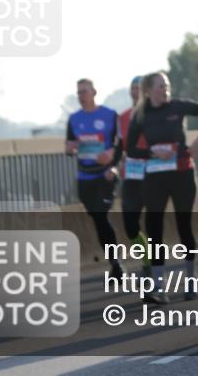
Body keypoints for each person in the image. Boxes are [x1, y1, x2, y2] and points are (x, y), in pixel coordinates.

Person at [126, 71, 198, 303]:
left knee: (184, 225)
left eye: (166, 85)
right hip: (155, 176)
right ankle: (158, 285)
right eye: (160, 86)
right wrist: (151, 151)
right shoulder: (141, 114)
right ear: (148, 90)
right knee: (154, 228)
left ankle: (190, 278)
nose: (165, 90)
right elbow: (131, 149)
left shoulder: (178, 106)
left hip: (182, 173)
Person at [65, 79, 124, 279]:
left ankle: (116, 263)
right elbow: (69, 146)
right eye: (78, 93)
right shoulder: (74, 119)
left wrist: (112, 162)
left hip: (105, 175)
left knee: (101, 214)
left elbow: (120, 145)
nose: (81, 96)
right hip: (85, 177)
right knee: (98, 219)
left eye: (84, 92)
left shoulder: (109, 115)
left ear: (94, 92)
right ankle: (114, 262)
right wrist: (69, 148)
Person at [117, 76, 151, 278]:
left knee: (152, 225)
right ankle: (146, 259)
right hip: (130, 175)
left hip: (153, 175)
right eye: (133, 88)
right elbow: (119, 146)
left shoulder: (154, 115)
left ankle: (152, 267)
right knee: (130, 226)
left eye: (139, 88)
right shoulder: (123, 117)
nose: (135, 91)